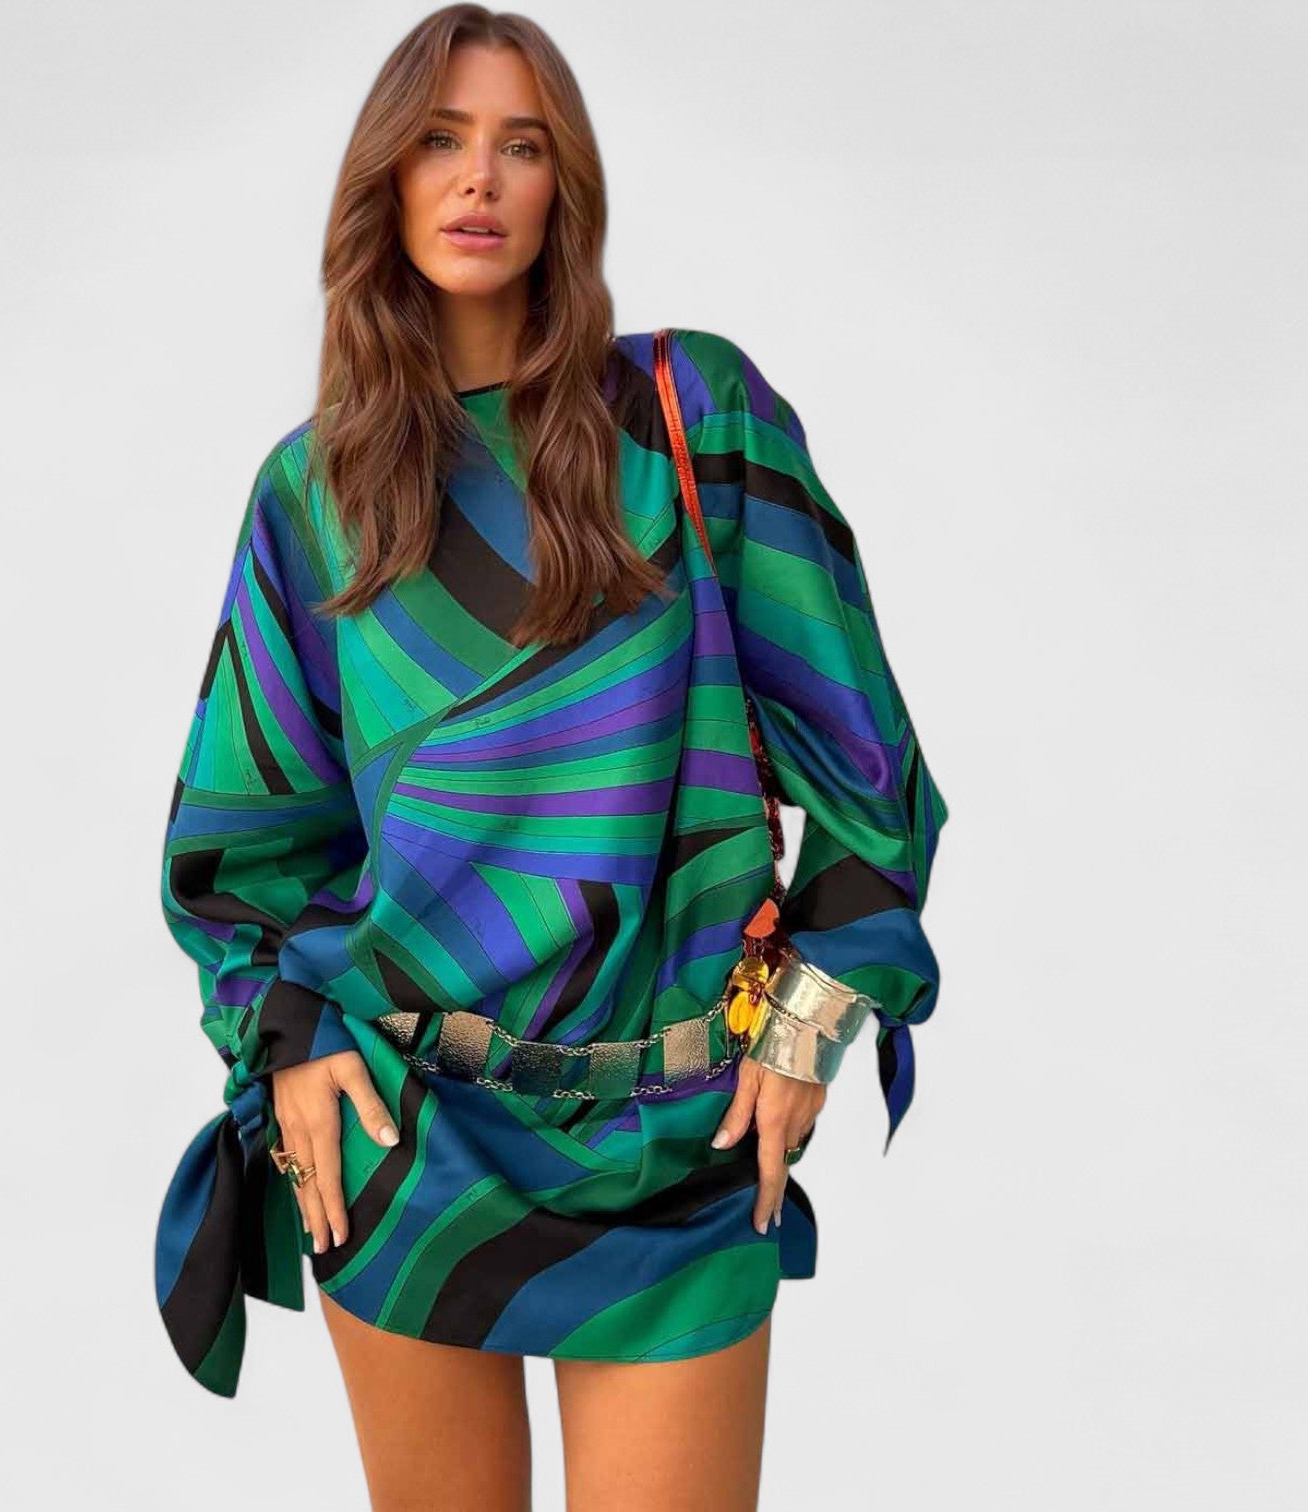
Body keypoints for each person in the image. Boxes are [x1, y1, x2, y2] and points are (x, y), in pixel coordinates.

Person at [153, 6, 949, 1509]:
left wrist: (809, 1020)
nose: (479, 178)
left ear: (563, 187)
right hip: (412, 1140)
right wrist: (291, 1038)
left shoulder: (693, 418)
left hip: (678, 1137)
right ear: (385, 180)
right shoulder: (316, 492)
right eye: (440, 141)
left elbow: (869, 769)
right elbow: (246, 840)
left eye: (521, 146)